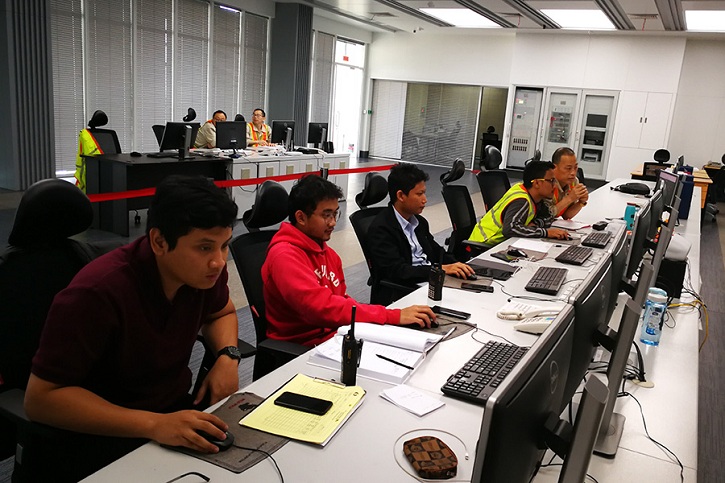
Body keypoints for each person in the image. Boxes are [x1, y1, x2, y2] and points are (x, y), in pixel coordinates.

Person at [24, 175, 241, 481]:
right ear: (159, 242)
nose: (218, 262)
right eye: (205, 247)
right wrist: (153, 424)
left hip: (171, 419)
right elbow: (40, 400)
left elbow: (222, 313)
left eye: (224, 246)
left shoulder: (203, 276)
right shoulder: (97, 293)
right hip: (99, 439)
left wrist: (228, 357)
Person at [262, 174, 437, 347]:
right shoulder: (284, 256)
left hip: (336, 335)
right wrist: (390, 315)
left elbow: (341, 301)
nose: (333, 223)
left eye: (335, 214)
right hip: (301, 348)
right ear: (301, 217)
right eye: (326, 215)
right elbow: (321, 308)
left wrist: (384, 317)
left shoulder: (329, 254)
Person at [368, 163, 475, 298]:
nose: (425, 200)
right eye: (419, 194)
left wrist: (456, 264)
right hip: (406, 290)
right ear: (401, 196)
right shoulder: (382, 228)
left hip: (430, 280)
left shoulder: (419, 222)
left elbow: (436, 251)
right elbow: (398, 271)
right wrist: (439, 270)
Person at [468, 160, 569, 247]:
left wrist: (535, 224)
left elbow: (549, 216)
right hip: (482, 246)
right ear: (537, 183)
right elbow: (511, 229)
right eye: (551, 181)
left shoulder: (536, 198)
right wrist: (545, 232)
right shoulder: (522, 200)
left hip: (502, 244)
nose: (555, 186)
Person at [546, 147, 589, 219]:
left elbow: (566, 216)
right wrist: (570, 198)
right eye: (568, 168)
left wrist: (581, 202)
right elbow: (547, 215)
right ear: (554, 168)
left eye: (575, 168)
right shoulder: (546, 183)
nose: (573, 173)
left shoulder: (574, 181)